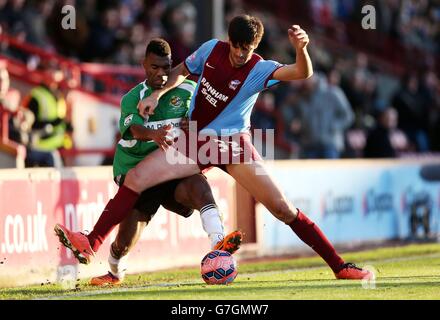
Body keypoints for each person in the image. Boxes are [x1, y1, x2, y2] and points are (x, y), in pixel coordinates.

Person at [55, 15, 372, 280]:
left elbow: (302, 72)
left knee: (282, 208)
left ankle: (339, 266)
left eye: (246, 50)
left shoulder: (260, 68)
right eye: (236, 48)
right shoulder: (211, 50)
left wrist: (301, 50)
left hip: (234, 145)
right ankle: (91, 242)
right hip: (195, 140)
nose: (240, 55)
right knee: (136, 178)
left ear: (254, 48)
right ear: (229, 41)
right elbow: (180, 71)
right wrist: (154, 95)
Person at [55, 39, 242, 285]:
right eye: (155, 67)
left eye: (166, 67)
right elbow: (131, 129)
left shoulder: (188, 90)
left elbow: (204, 121)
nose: (161, 74)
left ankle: (218, 242)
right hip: (137, 171)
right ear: (144, 65)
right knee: (124, 242)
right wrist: (152, 134)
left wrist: (194, 125)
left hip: (172, 170)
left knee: (199, 187)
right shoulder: (133, 98)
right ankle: (114, 272)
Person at [22, 64, 73, 167]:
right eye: (51, 70)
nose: (54, 73)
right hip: (39, 151)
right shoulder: (36, 95)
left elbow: (61, 121)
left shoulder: (58, 95)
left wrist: (67, 125)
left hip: (57, 148)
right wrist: (55, 122)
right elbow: (29, 125)